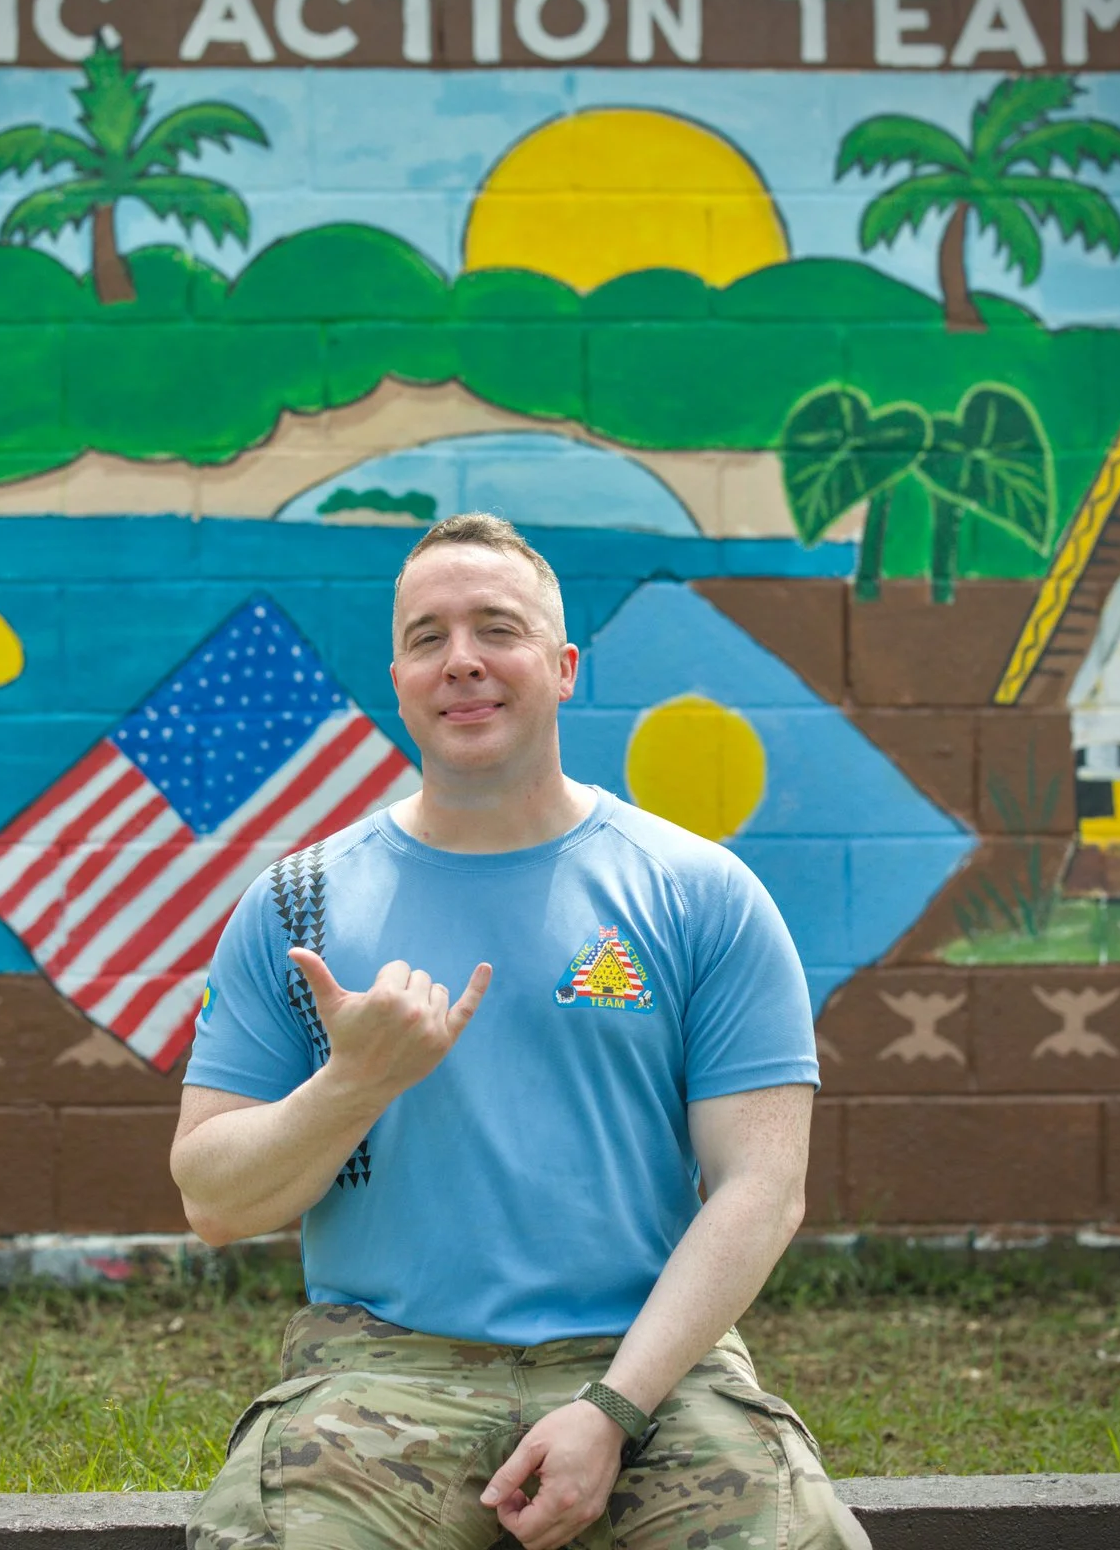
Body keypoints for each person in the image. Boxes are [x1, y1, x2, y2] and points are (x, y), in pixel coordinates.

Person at [173, 513, 863, 1550]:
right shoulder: (298, 908)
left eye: (496, 628)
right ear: (397, 677)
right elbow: (213, 1201)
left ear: (562, 665)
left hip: (652, 1366)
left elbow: (762, 1190)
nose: (460, 662)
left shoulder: (700, 892)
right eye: (425, 638)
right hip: (377, 1376)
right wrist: (353, 1083)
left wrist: (613, 1409)